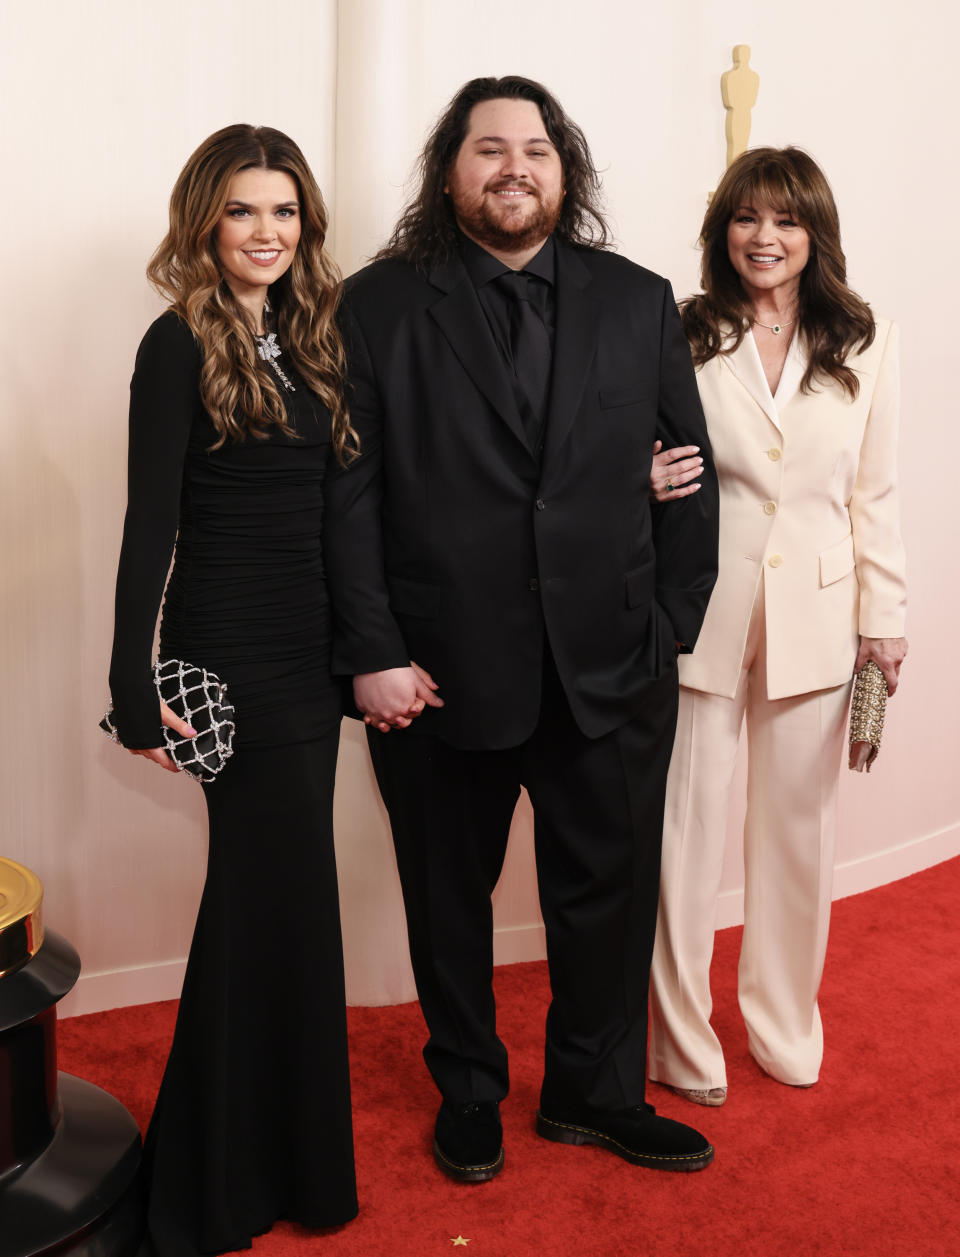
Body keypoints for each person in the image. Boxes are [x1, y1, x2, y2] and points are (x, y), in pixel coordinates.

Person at [323, 76, 719, 1181]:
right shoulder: (377, 306)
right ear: (450, 172)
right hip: (438, 676)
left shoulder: (639, 301)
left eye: (536, 149)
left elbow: (687, 480)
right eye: (488, 148)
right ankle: (469, 1091)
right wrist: (372, 653)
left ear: (565, 168)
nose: (515, 167)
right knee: (448, 899)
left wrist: (669, 629)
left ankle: (596, 1094)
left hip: (611, 669)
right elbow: (346, 496)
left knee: (608, 895)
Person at [107, 125, 361, 1255]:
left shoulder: (316, 340)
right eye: (245, 212)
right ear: (206, 223)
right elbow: (149, 522)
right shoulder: (176, 345)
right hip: (228, 657)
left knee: (287, 909)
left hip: (310, 661)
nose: (267, 233)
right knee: (265, 902)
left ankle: (282, 1166)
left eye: (286, 213)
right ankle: (210, 1187)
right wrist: (129, 678)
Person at [647, 147, 907, 1105]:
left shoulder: (864, 338)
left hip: (822, 616)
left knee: (799, 835)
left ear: (814, 234)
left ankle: (784, 1021)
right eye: (748, 218)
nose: (766, 237)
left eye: (786, 221)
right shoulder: (680, 330)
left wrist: (886, 616)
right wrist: (639, 476)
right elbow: (636, 445)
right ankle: (679, 1038)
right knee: (682, 833)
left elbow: (873, 491)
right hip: (699, 610)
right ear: (725, 229)